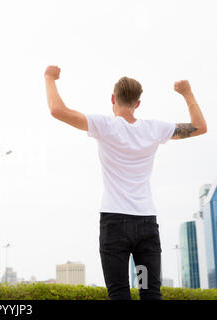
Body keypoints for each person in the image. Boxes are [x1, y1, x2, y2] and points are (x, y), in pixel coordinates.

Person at [44, 65, 207, 300]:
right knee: (149, 292)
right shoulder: (154, 129)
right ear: (138, 103)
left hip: (114, 225)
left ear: (113, 99)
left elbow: (57, 110)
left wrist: (50, 77)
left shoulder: (106, 126)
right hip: (146, 224)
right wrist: (187, 92)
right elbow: (200, 127)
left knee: (119, 293)